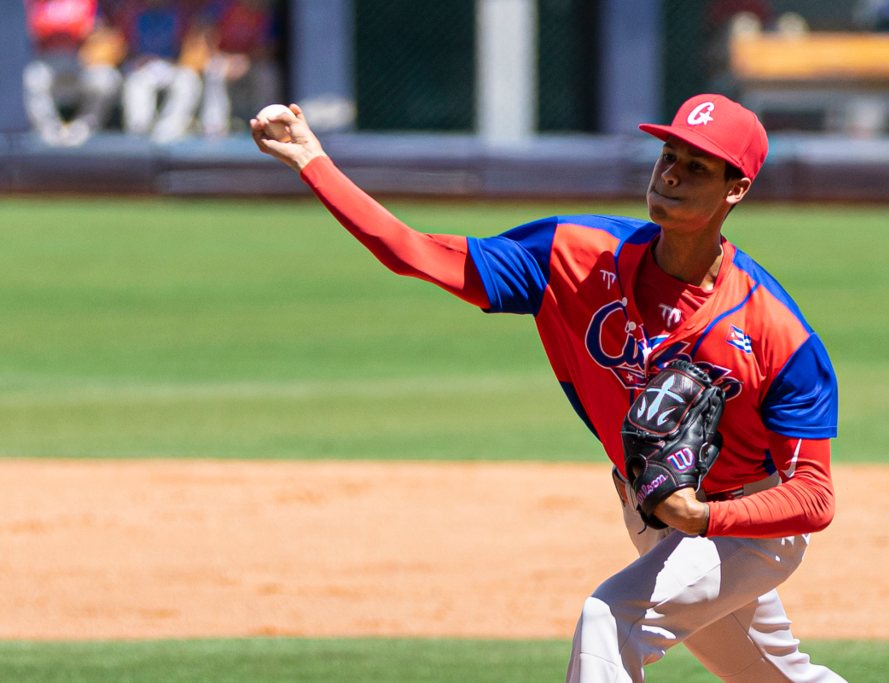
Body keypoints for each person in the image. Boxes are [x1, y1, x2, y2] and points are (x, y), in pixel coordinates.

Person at [250, 95, 846, 682]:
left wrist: (704, 515)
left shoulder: (776, 333)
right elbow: (415, 254)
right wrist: (312, 161)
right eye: (669, 156)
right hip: (651, 508)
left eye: (697, 167)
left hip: (750, 522)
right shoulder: (572, 255)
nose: (671, 174)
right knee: (770, 675)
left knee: (610, 619)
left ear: (735, 189)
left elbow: (814, 496)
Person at [23, 0, 124, 146]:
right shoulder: (40, 4)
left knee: (107, 79)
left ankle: (84, 127)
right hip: (51, 65)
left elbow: (104, 35)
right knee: (34, 77)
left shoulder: (90, 4)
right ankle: (50, 130)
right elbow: (38, 31)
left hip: (81, 64)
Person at [115, 0, 205, 143]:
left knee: (188, 80)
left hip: (172, 66)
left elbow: (192, 49)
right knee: (136, 81)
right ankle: (140, 130)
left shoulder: (180, 15)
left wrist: (178, 63)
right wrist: (134, 59)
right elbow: (121, 47)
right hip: (142, 66)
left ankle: (170, 128)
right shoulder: (134, 14)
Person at [195, 0, 282, 137]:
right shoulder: (222, 6)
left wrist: (244, 60)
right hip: (224, 57)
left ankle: (265, 123)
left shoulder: (263, 13)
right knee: (213, 69)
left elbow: (267, 48)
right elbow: (207, 33)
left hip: (251, 61)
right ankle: (213, 127)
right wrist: (223, 56)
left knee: (267, 73)